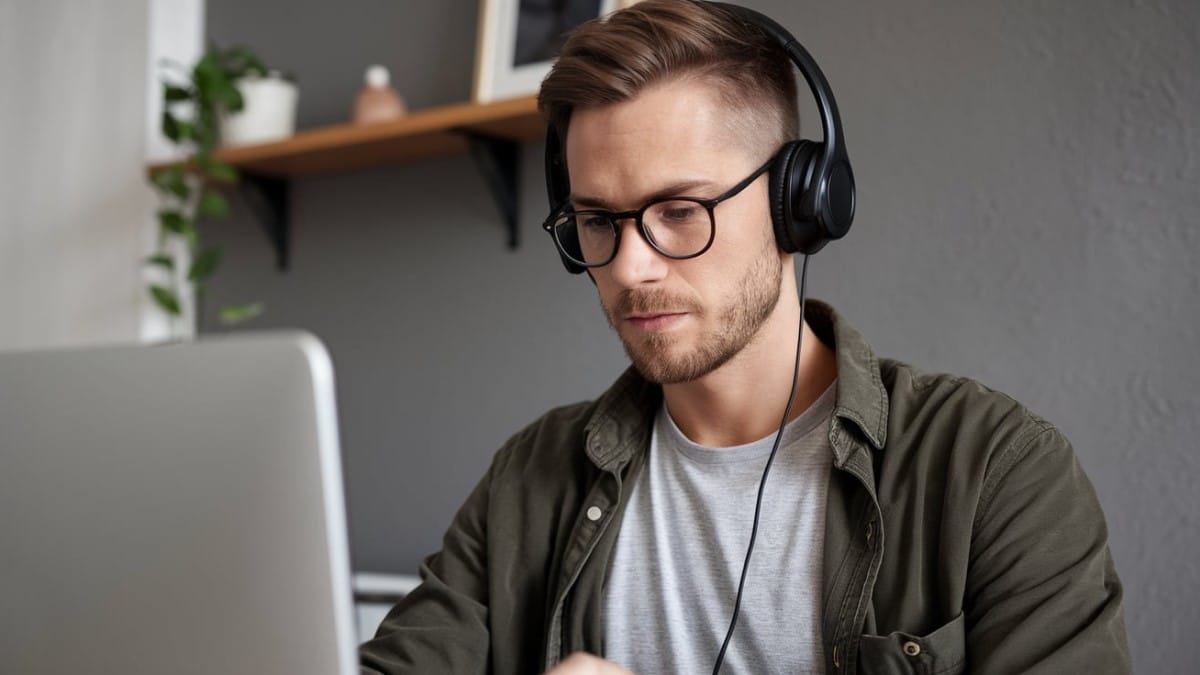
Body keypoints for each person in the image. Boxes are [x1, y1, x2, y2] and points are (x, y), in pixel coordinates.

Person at [359, 1, 1131, 673]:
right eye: (598, 221)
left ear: (802, 204)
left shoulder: (996, 471)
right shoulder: (530, 477)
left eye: (680, 211)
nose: (631, 267)